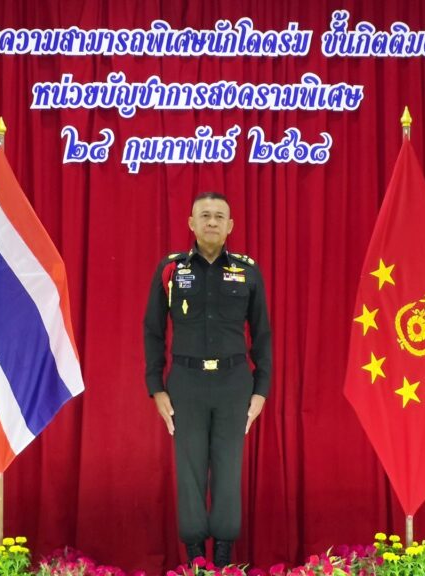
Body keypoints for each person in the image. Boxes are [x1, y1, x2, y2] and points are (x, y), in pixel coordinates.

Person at [143, 192, 272, 567]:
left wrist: (261, 389)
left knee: (229, 468)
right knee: (190, 470)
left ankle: (224, 555)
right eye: (204, 215)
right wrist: (156, 387)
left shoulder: (247, 272)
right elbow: (153, 330)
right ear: (191, 223)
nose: (212, 222)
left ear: (230, 226)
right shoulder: (171, 270)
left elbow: (262, 334)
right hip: (186, 382)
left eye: (219, 216)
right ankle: (197, 556)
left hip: (234, 383)